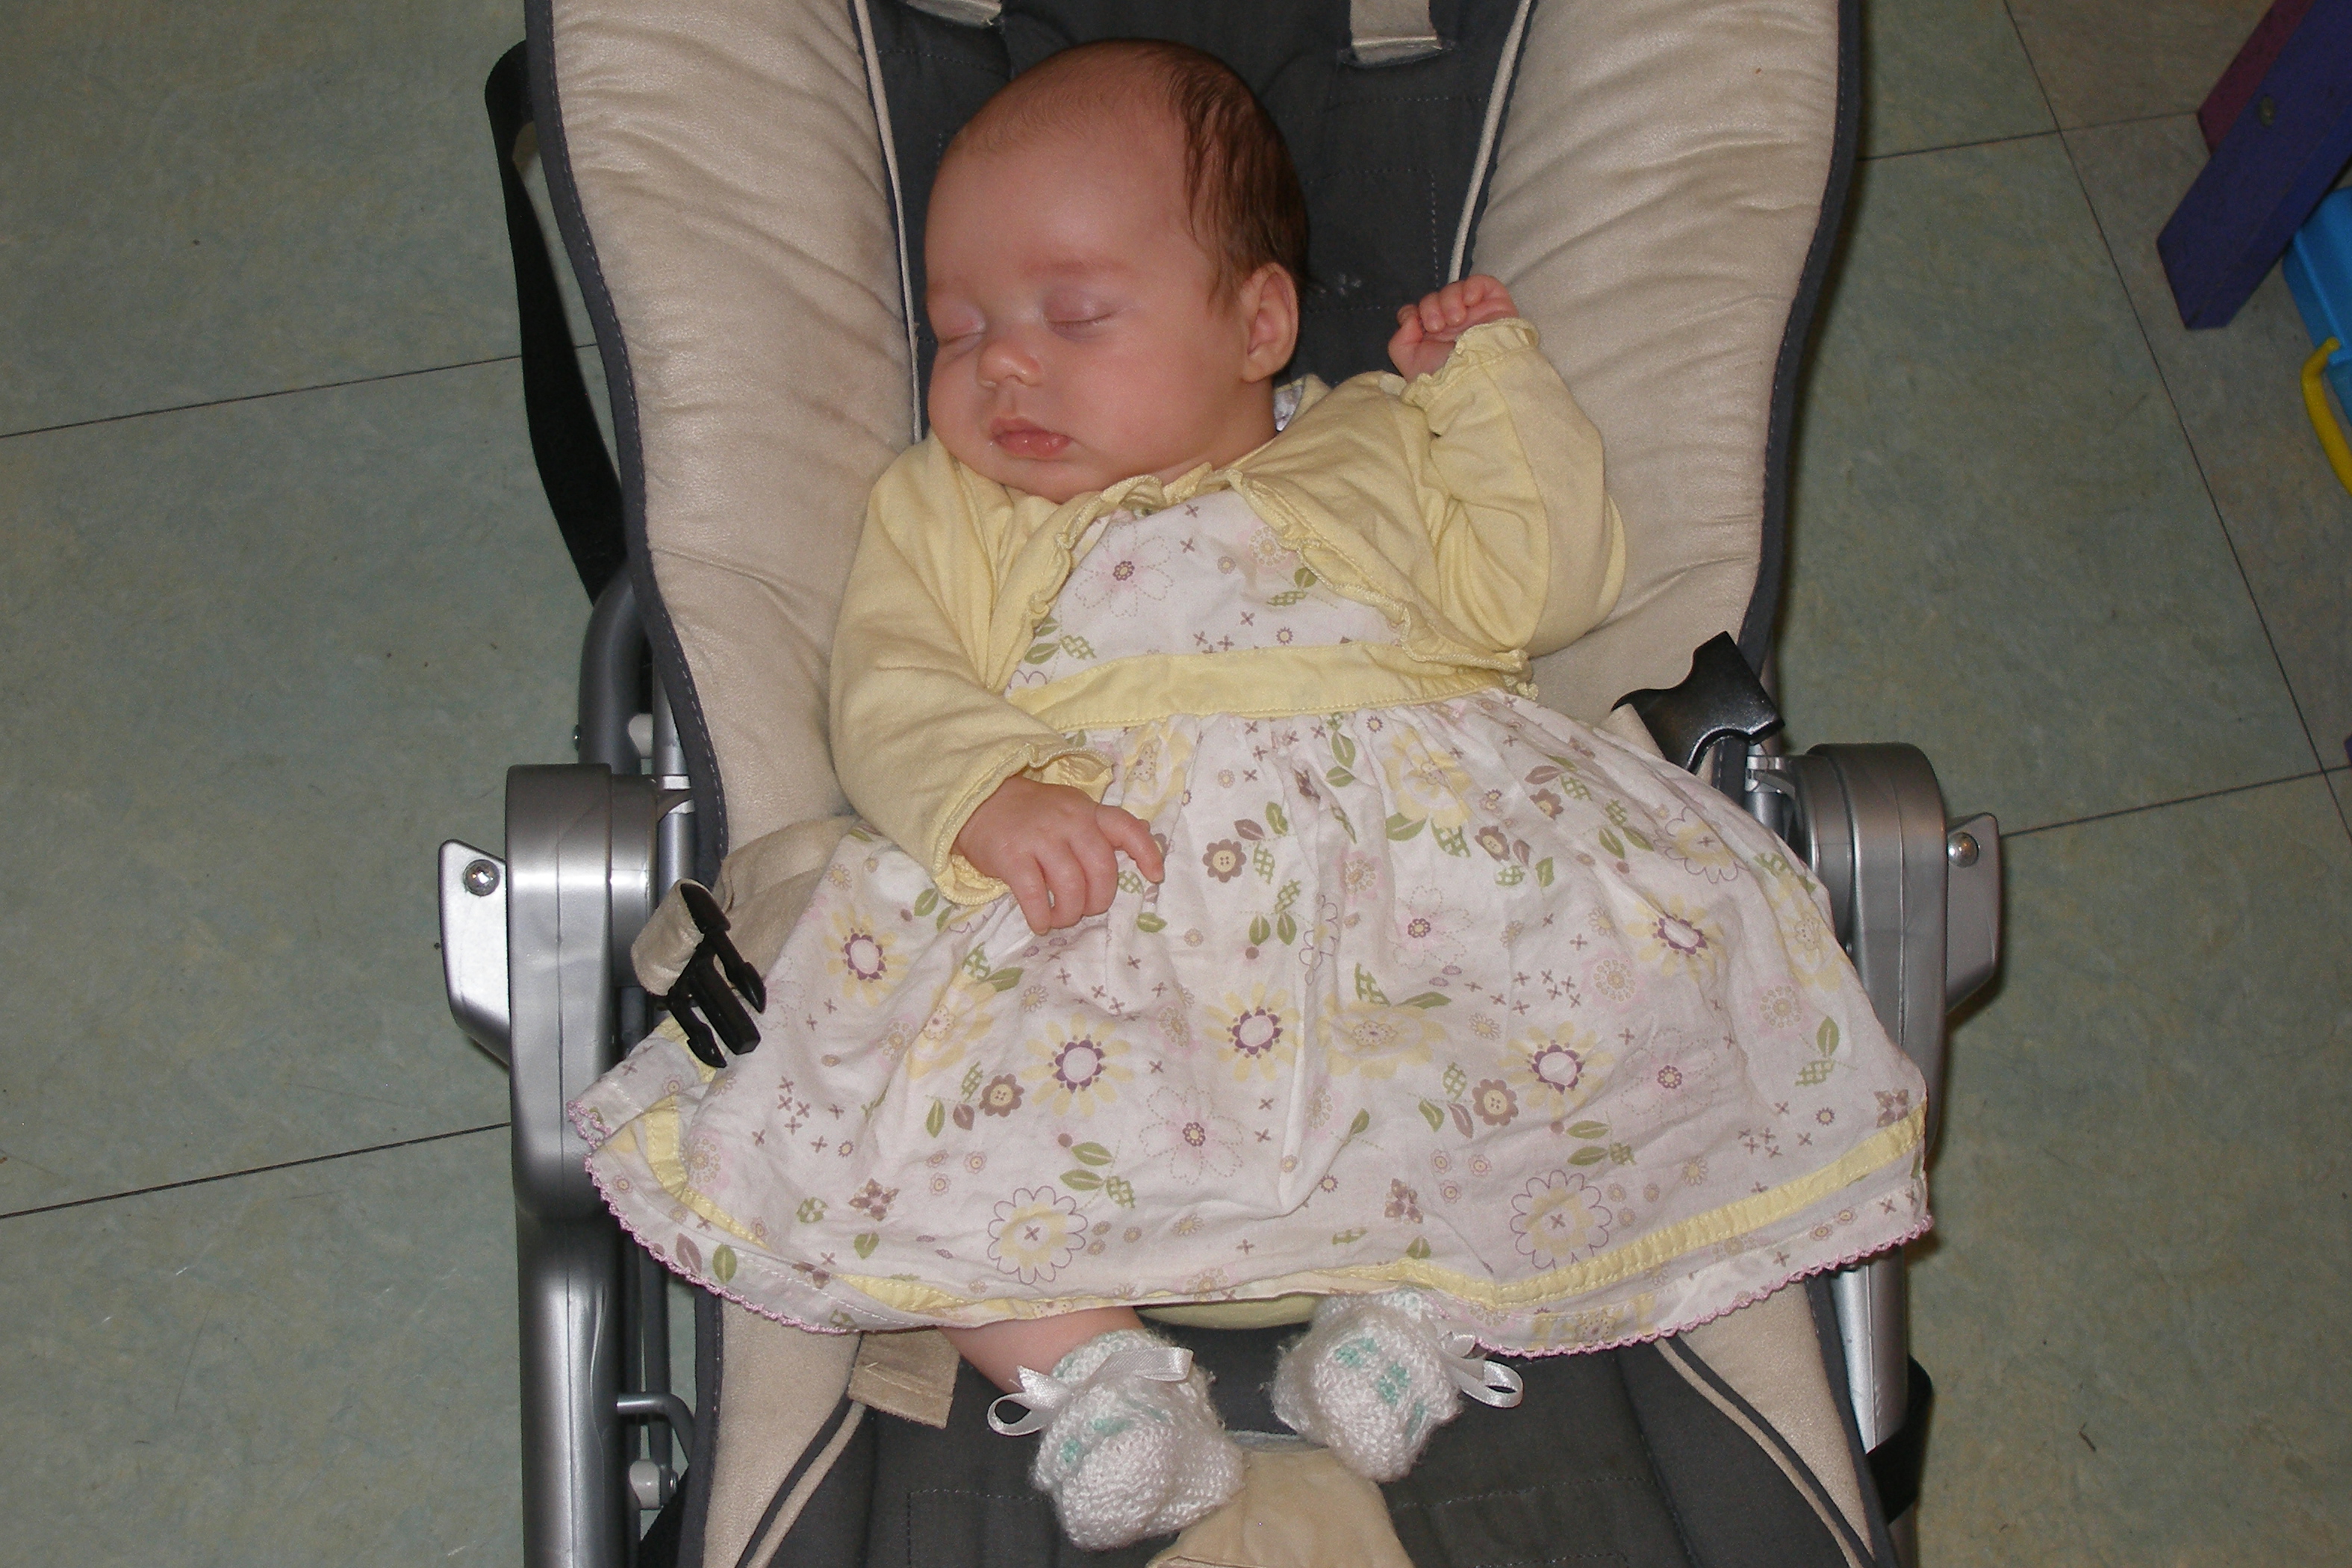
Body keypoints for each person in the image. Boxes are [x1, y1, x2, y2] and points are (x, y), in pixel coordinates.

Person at [572, 38, 1928, 1549]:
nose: (1003, 362)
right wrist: (985, 792)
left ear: (1258, 323)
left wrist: (1491, 389)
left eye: (1075, 314)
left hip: (1396, 888)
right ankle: (1094, 1377)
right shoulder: (953, 504)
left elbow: (1549, 580)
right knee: (870, 1114)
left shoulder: (1378, 442)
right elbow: (886, 677)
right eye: (958, 329)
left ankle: (1411, 1315)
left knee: (1562, 1010)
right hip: (1101, 906)